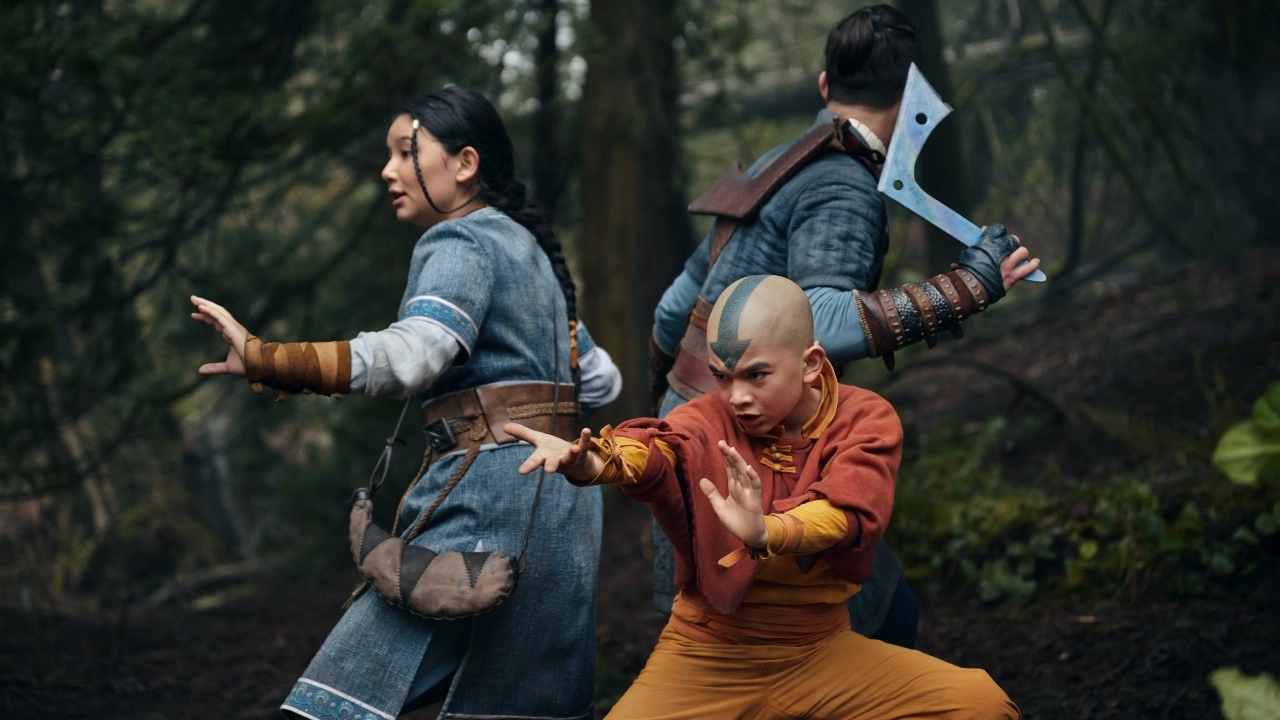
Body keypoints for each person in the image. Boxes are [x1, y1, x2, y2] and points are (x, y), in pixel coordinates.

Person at [190, 86, 621, 719]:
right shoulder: (531, 250)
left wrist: (269, 359)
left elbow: (416, 354)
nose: (388, 171)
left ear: (466, 163)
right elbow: (603, 383)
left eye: (405, 151)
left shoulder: (460, 240)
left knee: (336, 703)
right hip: (565, 510)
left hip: (487, 501)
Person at [647, 3, 1042, 647]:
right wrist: (965, 288)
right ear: (909, 97)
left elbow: (672, 311)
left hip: (693, 432)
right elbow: (822, 324)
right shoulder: (840, 184)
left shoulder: (775, 164)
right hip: (751, 454)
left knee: (772, 637)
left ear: (825, 84)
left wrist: (677, 407)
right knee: (855, 631)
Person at [509, 275, 1020, 719]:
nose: (736, 397)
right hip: (706, 651)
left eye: (756, 375)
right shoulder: (704, 417)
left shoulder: (865, 417)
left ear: (811, 363)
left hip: (819, 649)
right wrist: (594, 462)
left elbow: (850, 512)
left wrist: (769, 531)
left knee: (979, 704)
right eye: (721, 376)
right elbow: (658, 449)